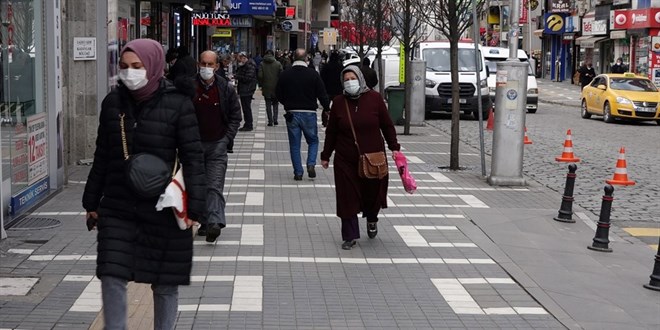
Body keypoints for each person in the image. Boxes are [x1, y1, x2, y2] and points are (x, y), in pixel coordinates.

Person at [82, 39, 207, 329]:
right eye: (124, 67)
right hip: (117, 205)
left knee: (164, 283)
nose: (129, 73)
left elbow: (193, 158)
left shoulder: (178, 104)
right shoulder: (113, 103)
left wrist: (197, 208)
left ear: (153, 67)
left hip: (163, 207)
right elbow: (102, 154)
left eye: (136, 67)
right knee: (112, 274)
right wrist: (91, 202)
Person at [320, 65, 400, 250]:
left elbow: (387, 125)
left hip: (373, 157)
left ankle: (372, 218)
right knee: (346, 197)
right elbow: (331, 131)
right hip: (345, 159)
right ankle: (350, 235)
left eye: (352, 78)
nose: (349, 82)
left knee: (373, 194)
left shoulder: (375, 99)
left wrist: (394, 147)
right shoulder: (339, 102)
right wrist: (326, 155)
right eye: (346, 80)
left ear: (360, 79)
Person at [193, 50, 243, 241]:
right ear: (199, 64)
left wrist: (226, 139)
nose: (206, 68)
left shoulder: (225, 88)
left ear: (216, 66)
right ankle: (204, 222)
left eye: (210, 64)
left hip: (217, 144)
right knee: (197, 185)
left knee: (214, 185)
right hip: (194, 146)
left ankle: (214, 222)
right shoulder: (190, 86)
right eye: (203, 64)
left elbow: (235, 116)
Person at [276, 48, 331, 181]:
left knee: (294, 145)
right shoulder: (313, 74)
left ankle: (298, 172)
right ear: (306, 58)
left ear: (293, 58)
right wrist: (326, 108)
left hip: (292, 113)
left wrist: (287, 103)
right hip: (309, 113)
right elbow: (322, 93)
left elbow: (278, 94)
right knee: (313, 140)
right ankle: (311, 163)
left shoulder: (285, 74)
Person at [258, 49, 283, 126]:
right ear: (273, 55)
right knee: (275, 104)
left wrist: (261, 84)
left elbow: (260, 75)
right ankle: (275, 119)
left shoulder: (262, 64)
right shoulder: (278, 64)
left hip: (266, 87)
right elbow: (282, 75)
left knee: (268, 104)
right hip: (276, 87)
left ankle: (270, 121)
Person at [234, 51, 258, 131]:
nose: (240, 61)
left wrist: (237, 76)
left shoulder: (250, 66)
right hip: (244, 89)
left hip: (247, 89)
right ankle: (247, 123)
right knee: (245, 107)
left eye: (241, 59)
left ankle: (248, 124)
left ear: (245, 58)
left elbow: (248, 78)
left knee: (246, 108)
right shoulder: (244, 65)